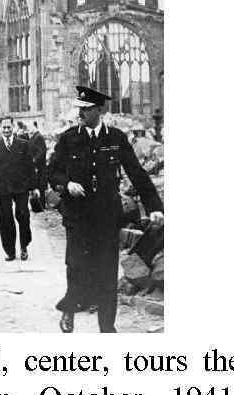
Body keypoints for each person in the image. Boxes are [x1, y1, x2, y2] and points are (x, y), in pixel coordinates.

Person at [48, 86, 164, 333]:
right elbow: (52, 172)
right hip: (77, 216)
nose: (81, 113)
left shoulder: (116, 138)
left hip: (106, 217)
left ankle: (107, 327)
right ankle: (69, 311)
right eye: (79, 108)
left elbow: (137, 173)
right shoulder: (68, 138)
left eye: (87, 109)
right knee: (76, 266)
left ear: (100, 110)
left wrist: (154, 206)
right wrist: (66, 184)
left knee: (107, 270)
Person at [0, 116, 40, 261]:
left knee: (23, 216)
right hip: (3, 188)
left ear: (13, 127)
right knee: (5, 219)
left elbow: (30, 167)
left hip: (21, 187)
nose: (6, 130)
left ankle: (24, 246)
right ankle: (10, 251)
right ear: (0, 129)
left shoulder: (23, 145)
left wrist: (34, 187)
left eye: (8, 127)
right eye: (3, 127)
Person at [29, 121, 48, 208]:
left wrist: (34, 160)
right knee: (37, 184)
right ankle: (38, 205)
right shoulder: (34, 136)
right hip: (36, 166)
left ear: (35, 126)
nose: (29, 129)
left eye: (30, 126)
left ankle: (41, 204)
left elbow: (42, 151)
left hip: (39, 166)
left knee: (40, 185)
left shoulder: (39, 137)